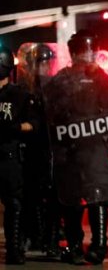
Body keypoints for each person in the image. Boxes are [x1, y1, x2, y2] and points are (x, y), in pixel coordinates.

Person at [42, 30, 108, 265]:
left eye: (90, 50)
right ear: (74, 53)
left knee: (98, 195)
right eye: (82, 51)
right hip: (70, 148)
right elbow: (51, 111)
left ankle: (99, 245)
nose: (87, 55)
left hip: (95, 147)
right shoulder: (62, 79)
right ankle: (75, 245)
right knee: (72, 197)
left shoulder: (101, 78)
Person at [15, 43, 62, 258]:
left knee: (53, 196)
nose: (43, 68)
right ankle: (31, 236)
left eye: (46, 63)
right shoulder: (23, 90)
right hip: (33, 147)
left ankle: (51, 239)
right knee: (30, 195)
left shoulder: (56, 87)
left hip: (52, 147)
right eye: (40, 63)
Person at [0, 45, 37, 264]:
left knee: (14, 204)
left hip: (9, 156)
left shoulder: (19, 95)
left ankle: (14, 249)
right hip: (8, 155)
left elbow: (34, 125)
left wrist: (14, 128)